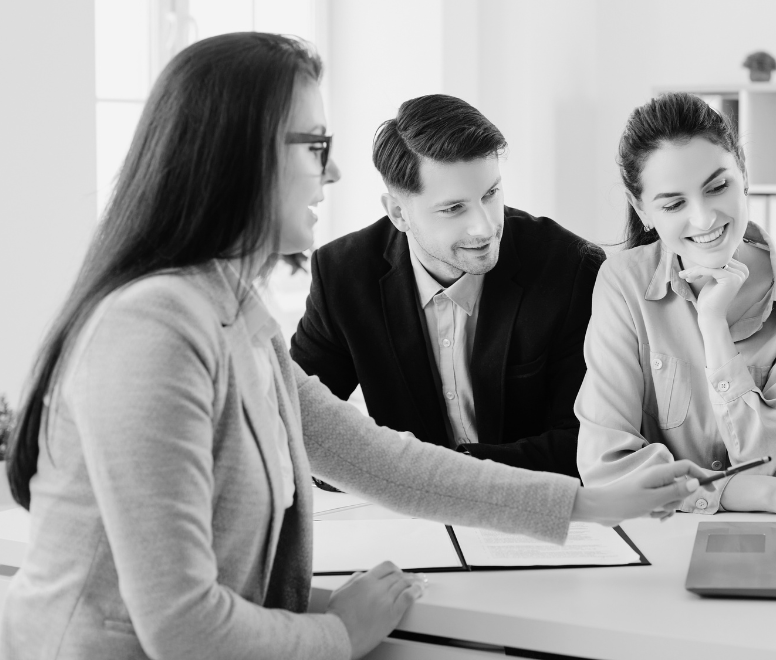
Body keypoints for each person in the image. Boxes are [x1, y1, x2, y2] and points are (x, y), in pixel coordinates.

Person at [1, 35, 713, 660]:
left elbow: (378, 459)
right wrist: (339, 633)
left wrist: (590, 505)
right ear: (237, 158)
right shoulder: (154, 327)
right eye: (315, 147)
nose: (333, 173)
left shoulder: (234, 311)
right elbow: (184, 630)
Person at [575, 92, 776, 521]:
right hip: (666, 533)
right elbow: (607, 469)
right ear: (642, 210)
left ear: (743, 174)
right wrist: (764, 494)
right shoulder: (624, 283)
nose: (705, 219)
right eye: (673, 204)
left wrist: (713, 329)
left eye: (718, 187)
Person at [290, 94, 604, 478]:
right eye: (454, 208)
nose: (486, 227)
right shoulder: (342, 276)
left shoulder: (570, 267)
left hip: (538, 512)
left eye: (491, 194)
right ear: (399, 213)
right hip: (409, 520)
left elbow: (588, 442)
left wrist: (443, 471)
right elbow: (294, 427)